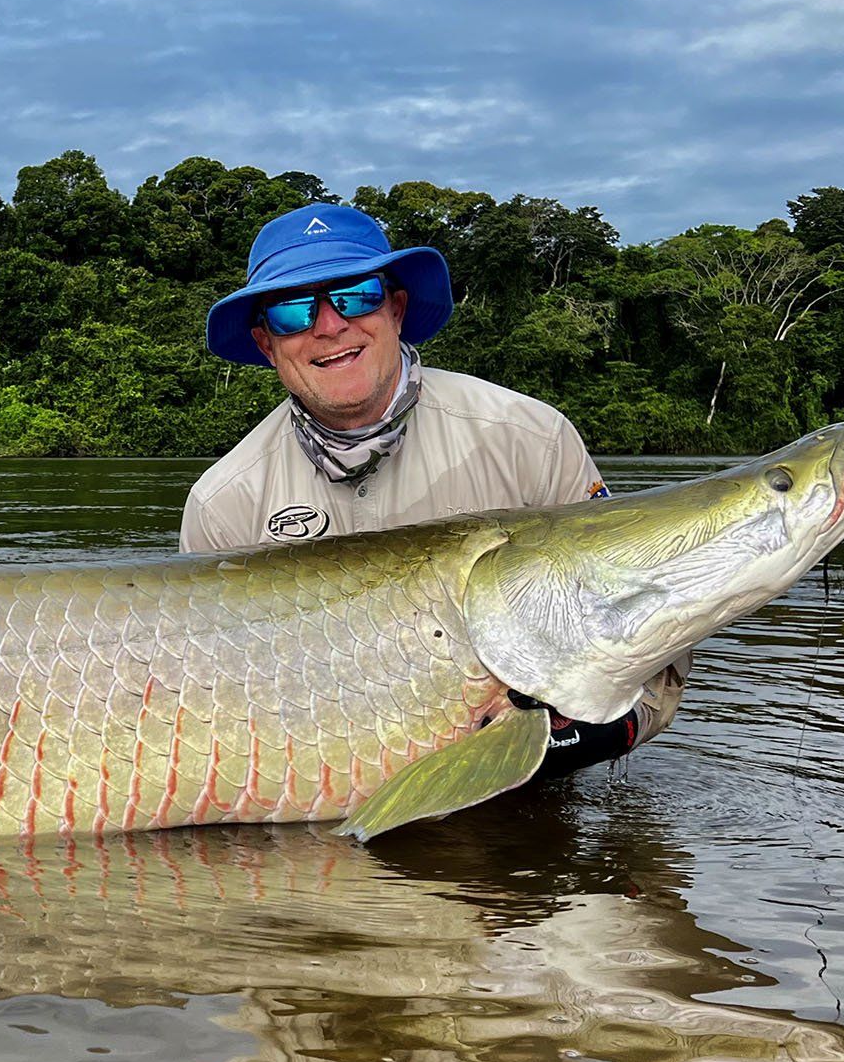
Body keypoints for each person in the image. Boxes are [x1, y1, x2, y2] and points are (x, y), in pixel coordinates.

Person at [182, 204, 683, 777]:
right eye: (293, 311)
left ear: (395, 308)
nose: (328, 325)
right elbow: (209, 701)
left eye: (356, 294)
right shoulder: (223, 503)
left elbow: (653, 657)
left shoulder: (532, 440)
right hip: (321, 790)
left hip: (527, 791)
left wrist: (578, 739)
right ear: (267, 343)